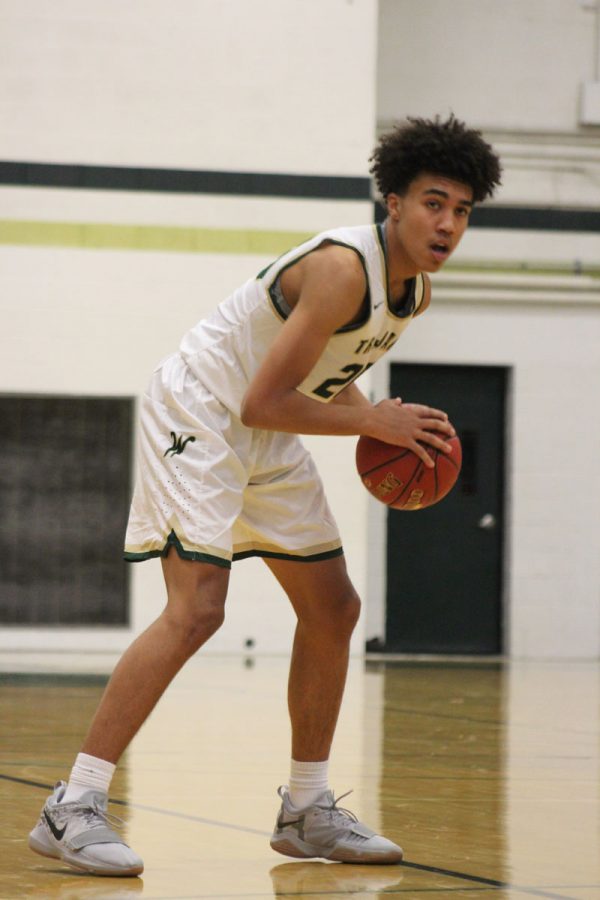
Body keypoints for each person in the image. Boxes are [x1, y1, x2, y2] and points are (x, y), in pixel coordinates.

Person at [29, 115, 501, 876]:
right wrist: (371, 422)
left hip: (266, 423)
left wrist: (382, 424)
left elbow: (324, 387)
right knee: (198, 609)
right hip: (202, 409)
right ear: (393, 201)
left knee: (334, 607)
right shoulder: (344, 268)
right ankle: (73, 804)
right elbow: (260, 401)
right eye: (433, 203)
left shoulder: (413, 294)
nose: (447, 223)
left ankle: (307, 810)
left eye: (463, 211)